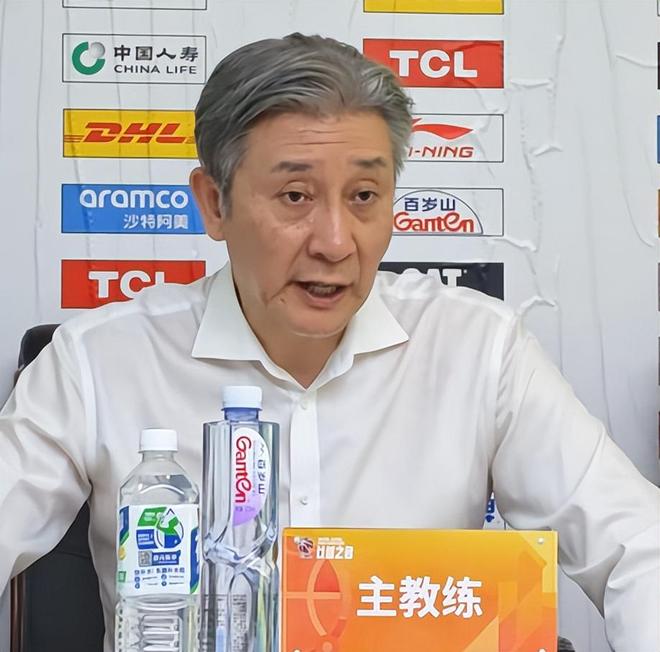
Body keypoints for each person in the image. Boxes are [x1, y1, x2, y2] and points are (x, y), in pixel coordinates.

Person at [1, 33, 658, 652]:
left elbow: (636, 547)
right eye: (295, 196)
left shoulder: (477, 349)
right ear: (214, 203)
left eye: (365, 195)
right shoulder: (99, 361)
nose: (336, 242)